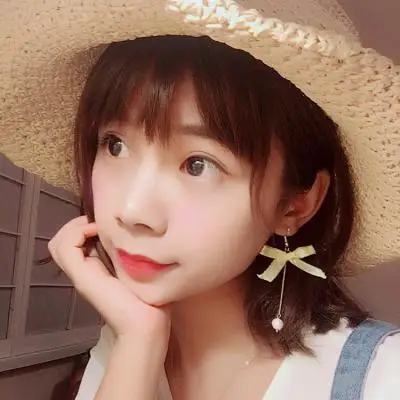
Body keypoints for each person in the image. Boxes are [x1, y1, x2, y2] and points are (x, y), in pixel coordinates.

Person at [1, 1, 399, 399]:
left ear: (295, 204)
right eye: (115, 145)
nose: (133, 211)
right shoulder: (123, 341)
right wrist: (138, 342)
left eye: (197, 165)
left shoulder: (381, 377)